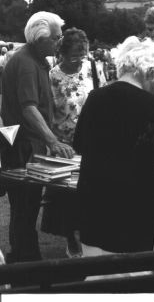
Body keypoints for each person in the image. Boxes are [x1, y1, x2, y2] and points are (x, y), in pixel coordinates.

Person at [74, 36, 154, 255]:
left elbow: (79, 144)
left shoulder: (95, 97)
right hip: (134, 208)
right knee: (134, 276)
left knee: (96, 276)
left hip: (93, 203)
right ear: (148, 71)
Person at [0, 11, 74, 263]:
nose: (60, 41)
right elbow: (29, 107)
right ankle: (25, 265)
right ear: (39, 39)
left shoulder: (34, 60)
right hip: (23, 148)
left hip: (26, 146)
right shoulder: (26, 64)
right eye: (56, 37)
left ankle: (25, 261)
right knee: (24, 210)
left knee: (26, 209)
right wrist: (52, 140)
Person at [41, 28, 106, 258]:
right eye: (74, 56)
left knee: (92, 192)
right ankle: (71, 239)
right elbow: (48, 112)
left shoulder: (93, 68)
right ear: (62, 53)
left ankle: (91, 236)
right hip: (66, 144)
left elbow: (103, 98)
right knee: (67, 196)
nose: (79, 60)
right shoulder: (53, 76)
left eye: (83, 54)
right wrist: (53, 140)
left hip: (92, 141)